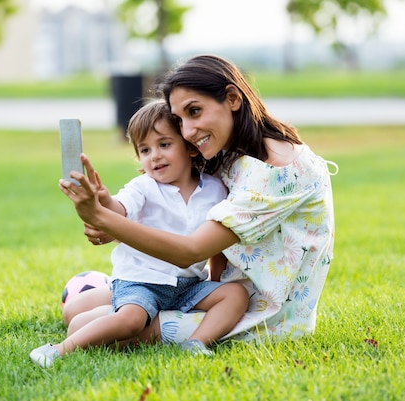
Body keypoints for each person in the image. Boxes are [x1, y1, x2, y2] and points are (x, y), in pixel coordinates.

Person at [60, 54, 337, 345]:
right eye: (179, 120)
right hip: (217, 286)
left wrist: (103, 218)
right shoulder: (237, 152)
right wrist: (111, 216)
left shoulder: (277, 173)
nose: (188, 132)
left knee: (84, 324)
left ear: (232, 98)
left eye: (195, 111)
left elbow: (190, 251)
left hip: (258, 316)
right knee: (77, 306)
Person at [30, 99, 249, 368]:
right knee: (131, 319)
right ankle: (58, 350)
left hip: (187, 285)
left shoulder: (215, 189)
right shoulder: (143, 187)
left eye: (164, 145)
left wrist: (215, 279)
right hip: (141, 282)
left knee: (235, 294)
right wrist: (102, 200)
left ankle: (196, 343)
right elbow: (120, 209)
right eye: (145, 150)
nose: (154, 155)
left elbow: (215, 243)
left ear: (190, 148)